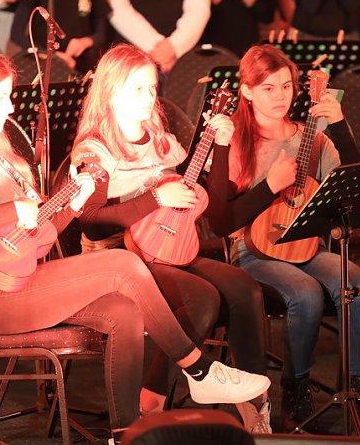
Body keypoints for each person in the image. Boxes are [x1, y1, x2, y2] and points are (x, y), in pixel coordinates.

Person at [0, 49, 271, 442]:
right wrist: (15, 207)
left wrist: (70, 202)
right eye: (0, 97)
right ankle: (199, 370)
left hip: (19, 278)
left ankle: (125, 433)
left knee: (124, 311)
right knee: (120, 264)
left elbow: (36, 236)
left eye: (9, 94)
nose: (11, 106)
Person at [71, 44, 272, 433]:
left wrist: (221, 144)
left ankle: (254, 405)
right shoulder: (94, 148)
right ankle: (152, 401)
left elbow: (210, 204)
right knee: (201, 298)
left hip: (169, 246)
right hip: (118, 256)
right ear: (111, 92)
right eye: (137, 90)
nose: (148, 99)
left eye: (151, 88)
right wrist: (155, 198)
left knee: (245, 289)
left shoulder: (159, 137)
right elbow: (91, 222)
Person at [206, 44, 360, 432]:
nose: (281, 96)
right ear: (247, 91)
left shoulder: (312, 137)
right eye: (268, 88)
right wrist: (268, 187)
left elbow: (354, 183)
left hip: (306, 246)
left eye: (287, 86)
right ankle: (295, 395)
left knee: (355, 283)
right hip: (253, 251)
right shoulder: (237, 141)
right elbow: (221, 221)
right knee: (304, 293)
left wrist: (341, 126)